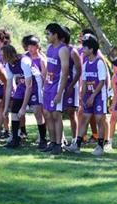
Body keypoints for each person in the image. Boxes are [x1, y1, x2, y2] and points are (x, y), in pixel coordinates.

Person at [65, 35, 108, 155]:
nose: (82, 50)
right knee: (84, 118)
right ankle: (77, 145)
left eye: (85, 47)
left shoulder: (99, 62)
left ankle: (100, 146)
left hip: (99, 96)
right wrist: (81, 97)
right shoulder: (85, 64)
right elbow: (83, 83)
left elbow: (102, 82)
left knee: (100, 119)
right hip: (88, 96)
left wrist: (93, 96)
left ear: (91, 49)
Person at [1, 44, 45, 148]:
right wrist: (6, 107)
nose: (1, 58)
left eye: (3, 55)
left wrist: (24, 107)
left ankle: (43, 139)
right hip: (22, 84)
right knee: (14, 110)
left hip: (34, 84)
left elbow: (29, 86)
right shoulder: (8, 65)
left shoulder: (24, 61)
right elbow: (8, 87)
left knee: (36, 111)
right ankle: (15, 139)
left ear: (9, 55)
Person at [41, 23, 70, 155]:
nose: (46, 36)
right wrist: (44, 82)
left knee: (56, 115)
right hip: (48, 86)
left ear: (55, 35)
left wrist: (59, 93)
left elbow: (65, 72)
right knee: (47, 114)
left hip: (57, 86)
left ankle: (59, 144)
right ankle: (52, 142)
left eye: (48, 34)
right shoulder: (49, 48)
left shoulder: (63, 49)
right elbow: (48, 67)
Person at [62, 27, 81, 145]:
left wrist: (72, 86)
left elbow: (79, 71)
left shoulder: (72, 51)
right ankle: (60, 139)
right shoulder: (55, 49)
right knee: (57, 113)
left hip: (71, 86)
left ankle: (75, 140)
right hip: (59, 85)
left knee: (71, 113)